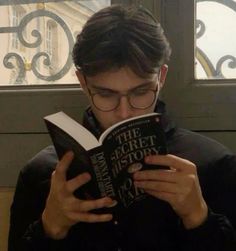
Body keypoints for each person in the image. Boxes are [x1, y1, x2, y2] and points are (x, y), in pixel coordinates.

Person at [8, 4, 236, 251]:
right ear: (83, 82)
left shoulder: (215, 164)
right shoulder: (41, 173)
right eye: (106, 94)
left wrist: (198, 217)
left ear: (161, 78)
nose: (124, 112)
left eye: (140, 92)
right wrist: (49, 227)